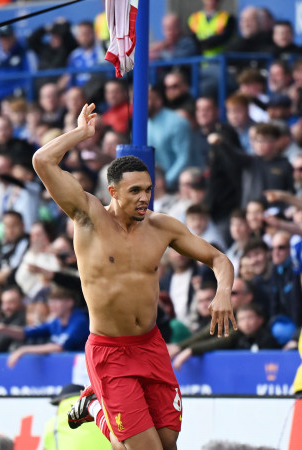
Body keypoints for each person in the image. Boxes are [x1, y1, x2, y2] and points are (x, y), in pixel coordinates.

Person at [33, 104, 235, 449]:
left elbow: (219, 258)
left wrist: (224, 292)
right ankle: (96, 405)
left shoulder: (162, 227)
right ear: (113, 192)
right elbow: (42, 161)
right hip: (110, 351)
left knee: (168, 444)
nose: (145, 198)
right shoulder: (88, 216)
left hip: (152, 346)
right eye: (135, 192)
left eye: (148, 189)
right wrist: (81, 134)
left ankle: (95, 406)